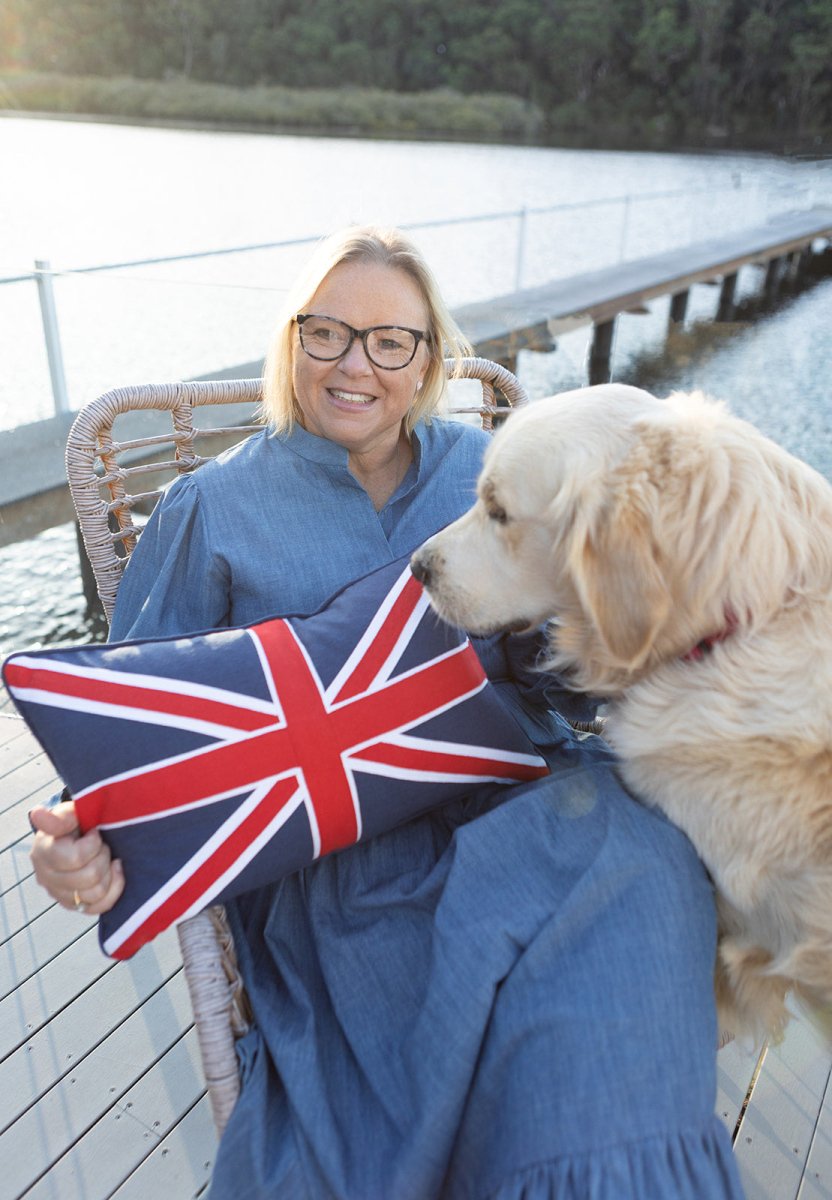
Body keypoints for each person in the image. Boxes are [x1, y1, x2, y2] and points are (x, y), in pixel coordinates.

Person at [30, 225, 745, 1200]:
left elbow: (602, 644)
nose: (353, 363)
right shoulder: (213, 507)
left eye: (389, 341)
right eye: (325, 332)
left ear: (430, 359)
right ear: (292, 343)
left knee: (644, 878)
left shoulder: (492, 472)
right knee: (399, 1019)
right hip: (346, 864)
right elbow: (132, 740)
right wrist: (76, 848)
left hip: (544, 799)